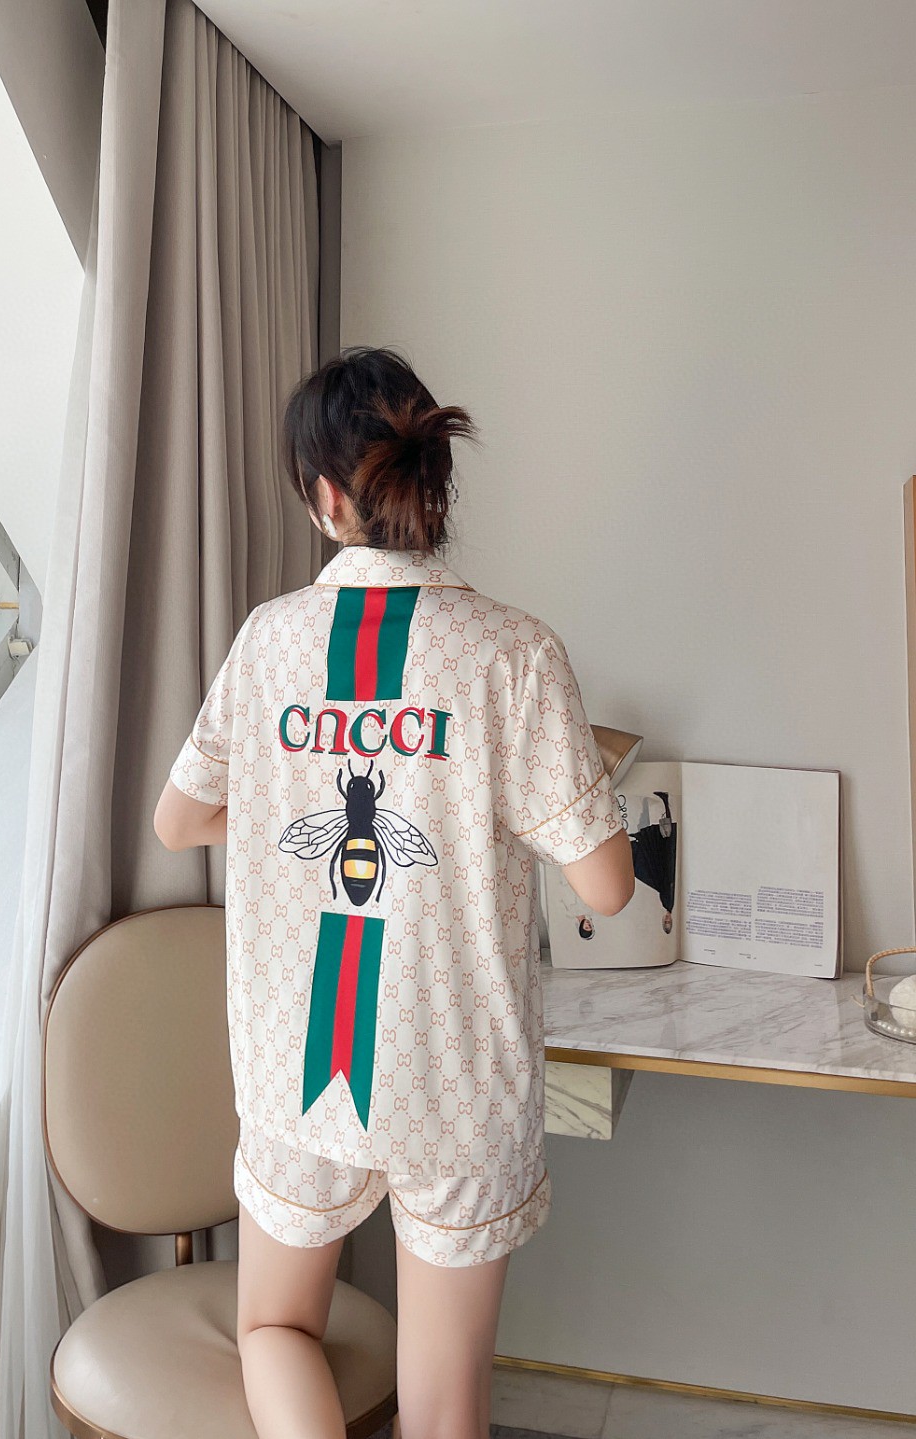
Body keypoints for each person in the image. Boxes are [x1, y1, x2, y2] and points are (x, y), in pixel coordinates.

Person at [154, 346, 635, 1439]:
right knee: (444, 1408)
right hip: (456, 1075)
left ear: (325, 497)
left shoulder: (268, 644)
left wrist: (286, 810)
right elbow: (606, 883)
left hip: (300, 1065)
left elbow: (178, 821)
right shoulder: (516, 653)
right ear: (433, 485)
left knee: (275, 1330)